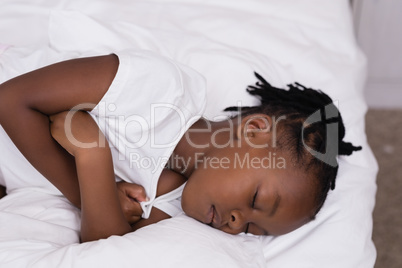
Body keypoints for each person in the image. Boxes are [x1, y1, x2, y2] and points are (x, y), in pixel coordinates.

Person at [0, 50, 361, 243]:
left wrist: (93, 154)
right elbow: (11, 100)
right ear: (253, 131)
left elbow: (104, 244)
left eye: (252, 229)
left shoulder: (176, 203)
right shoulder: (156, 90)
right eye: (255, 202)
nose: (236, 225)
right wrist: (91, 195)